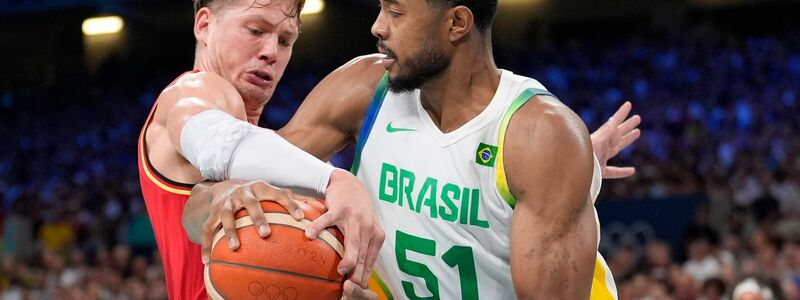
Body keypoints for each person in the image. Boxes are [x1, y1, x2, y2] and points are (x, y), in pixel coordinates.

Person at [186, 0, 642, 298]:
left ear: (457, 23)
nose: (376, 26)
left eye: (396, 12)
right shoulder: (366, 89)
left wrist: (572, 166)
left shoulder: (540, 137)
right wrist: (221, 197)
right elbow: (196, 208)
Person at [137, 0, 384, 299]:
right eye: (255, 30)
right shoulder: (191, 91)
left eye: (285, 40)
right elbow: (218, 146)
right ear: (204, 25)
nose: (271, 52)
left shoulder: (277, 155)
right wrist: (336, 179)